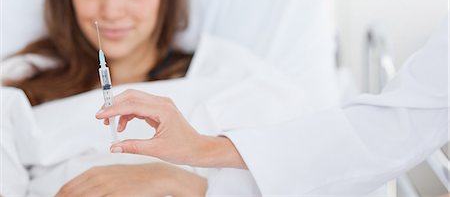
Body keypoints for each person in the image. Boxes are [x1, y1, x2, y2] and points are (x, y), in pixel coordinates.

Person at [92, 17, 448, 195]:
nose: (111, 10)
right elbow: (394, 128)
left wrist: (189, 179)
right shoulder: (37, 81)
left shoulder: (237, 72)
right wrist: (202, 149)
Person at [1, 0, 208, 195]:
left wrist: (171, 179)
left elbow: (268, 180)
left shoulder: (219, 74)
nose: (111, 10)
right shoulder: (21, 84)